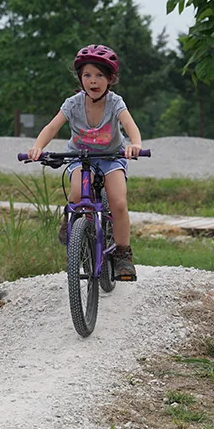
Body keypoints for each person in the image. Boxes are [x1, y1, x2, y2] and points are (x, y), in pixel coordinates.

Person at [27, 44, 143, 281]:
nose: (93, 81)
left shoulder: (115, 102)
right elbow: (51, 127)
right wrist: (38, 147)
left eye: (100, 75)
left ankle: (122, 254)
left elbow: (130, 126)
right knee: (78, 194)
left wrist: (136, 144)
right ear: (80, 78)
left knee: (119, 202)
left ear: (110, 79)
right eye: (87, 75)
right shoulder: (72, 104)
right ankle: (72, 219)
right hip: (80, 157)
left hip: (111, 158)